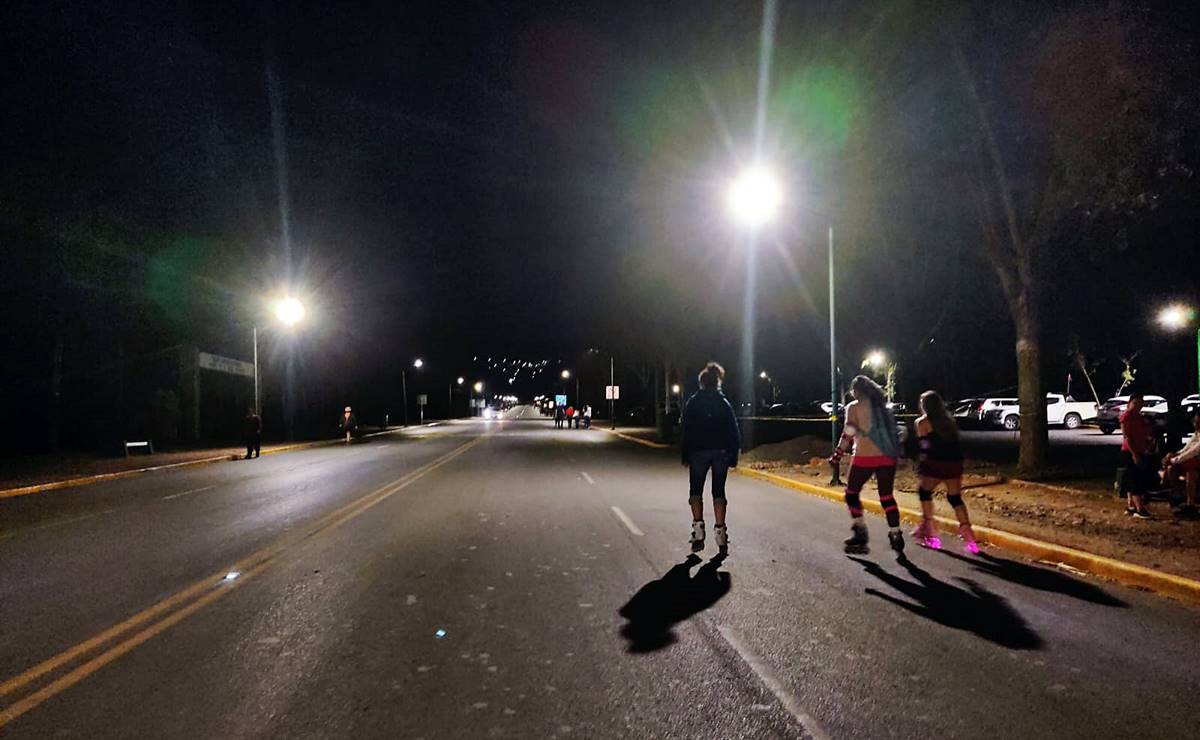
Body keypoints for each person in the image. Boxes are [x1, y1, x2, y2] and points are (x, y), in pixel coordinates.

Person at [829, 375, 904, 554]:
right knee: (886, 497)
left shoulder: (853, 407)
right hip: (887, 457)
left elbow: (848, 433)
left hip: (865, 456)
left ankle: (860, 532)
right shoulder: (883, 408)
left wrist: (837, 455)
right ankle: (895, 533)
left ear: (856, 391)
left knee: (851, 494)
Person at [680, 362, 741, 555]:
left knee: (695, 490)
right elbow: (734, 429)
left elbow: (686, 430)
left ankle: (698, 532)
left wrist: (685, 453)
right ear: (717, 383)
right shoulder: (724, 403)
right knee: (719, 492)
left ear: (702, 383)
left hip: (698, 451)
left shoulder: (693, 402)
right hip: (721, 451)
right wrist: (733, 454)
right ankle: (721, 533)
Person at [910, 390, 978, 553]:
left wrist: (920, 464)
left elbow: (924, 446)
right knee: (954, 498)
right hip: (954, 462)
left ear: (924, 406)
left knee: (924, 492)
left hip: (936, 462)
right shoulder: (949, 421)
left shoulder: (922, 422)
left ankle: (930, 531)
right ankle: (968, 534)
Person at [1120, 393, 1153, 519]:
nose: (1138, 406)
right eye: (1135, 403)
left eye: (1140, 403)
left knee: (1132, 478)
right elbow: (1127, 437)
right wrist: (1134, 454)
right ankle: (1140, 508)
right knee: (1135, 480)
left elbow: (1146, 432)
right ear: (1130, 403)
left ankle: (1131, 505)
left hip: (1140, 451)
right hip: (1130, 452)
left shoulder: (1140, 417)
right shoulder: (1127, 416)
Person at [1162, 411, 1200, 519]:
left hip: (1195, 463)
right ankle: (1178, 496)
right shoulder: (1196, 434)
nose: (1195, 424)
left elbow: (1193, 452)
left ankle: (1189, 504)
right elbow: (1186, 449)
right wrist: (1173, 455)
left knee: (1190, 474)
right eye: (1195, 422)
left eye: (1198, 422)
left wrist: (1174, 460)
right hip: (1193, 464)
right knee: (1173, 469)